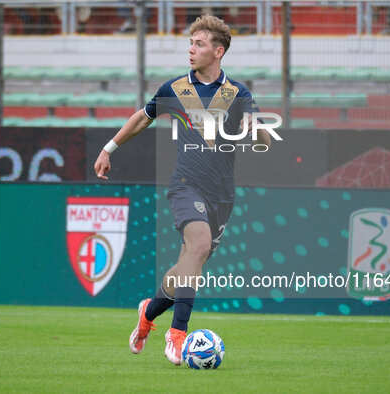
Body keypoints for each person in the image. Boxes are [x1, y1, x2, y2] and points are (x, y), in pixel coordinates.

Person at [94, 15, 271, 366]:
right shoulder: (174, 89)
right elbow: (143, 117)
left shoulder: (237, 93)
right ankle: (178, 335)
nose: (191, 50)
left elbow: (263, 141)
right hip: (186, 186)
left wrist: (256, 127)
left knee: (187, 266)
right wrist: (108, 148)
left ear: (218, 51)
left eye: (200, 44)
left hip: (222, 195)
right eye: (190, 43)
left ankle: (148, 313)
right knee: (199, 245)